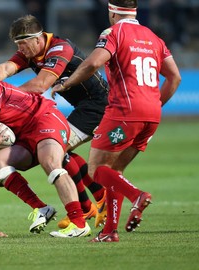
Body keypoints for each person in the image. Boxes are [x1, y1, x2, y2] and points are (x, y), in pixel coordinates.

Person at [52, 0, 181, 242]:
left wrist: (67, 83)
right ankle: (110, 231)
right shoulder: (152, 36)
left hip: (124, 111)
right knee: (115, 171)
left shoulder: (114, 32)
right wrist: (154, 105)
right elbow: (174, 77)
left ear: (112, 12)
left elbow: (93, 62)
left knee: (97, 170)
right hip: (152, 115)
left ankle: (137, 196)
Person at [0, 14, 109, 229]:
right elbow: (7, 68)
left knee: (55, 150)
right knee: (58, 151)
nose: (21, 49)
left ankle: (92, 203)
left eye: (24, 44)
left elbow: (40, 84)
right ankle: (94, 201)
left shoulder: (60, 48)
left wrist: (3, 96)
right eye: (18, 45)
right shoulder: (31, 52)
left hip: (97, 106)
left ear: (38, 39)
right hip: (83, 107)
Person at [0, 80, 92, 238]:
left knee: (51, 163)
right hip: (24, 139)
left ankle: (79, 223)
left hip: (43, 118)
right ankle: (41, 208)